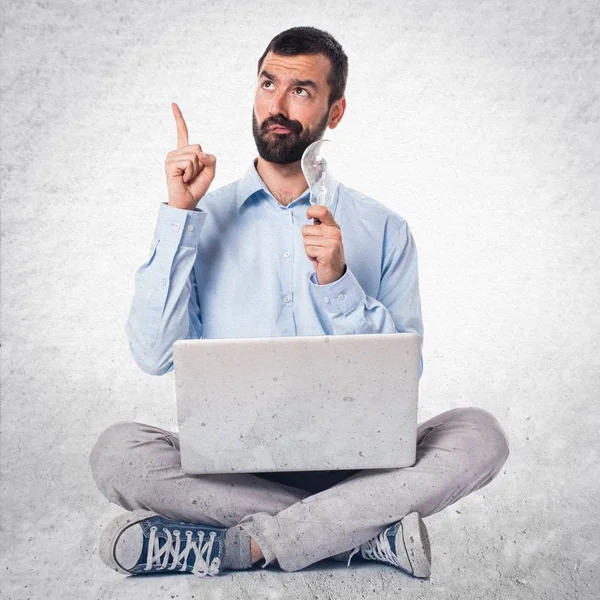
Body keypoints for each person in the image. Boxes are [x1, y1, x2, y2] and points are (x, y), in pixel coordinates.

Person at [89, 26, 509, 579]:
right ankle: (357, 535)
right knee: (117, 451)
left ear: (335, 112)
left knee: (480, 435)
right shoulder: (199, 220)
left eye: (302, 91)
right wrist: (178, 217)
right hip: (232, 471)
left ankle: (245, 545)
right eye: (268, 84)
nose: (278, 106)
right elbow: (152, 353)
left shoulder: (383, 229)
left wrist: (338, 282)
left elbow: (404, 377)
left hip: (360, 469)